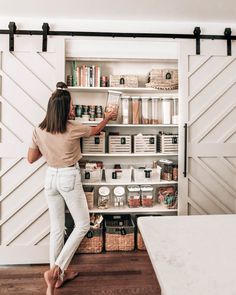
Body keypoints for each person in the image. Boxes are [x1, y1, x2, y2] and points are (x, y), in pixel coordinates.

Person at [28, 82, 116, 295]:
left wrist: (49, 148)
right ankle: (57, 269)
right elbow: (95, 130)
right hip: (68, 176)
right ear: (64, 109)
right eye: (71, 106)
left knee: (57, 228)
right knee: (83, 224)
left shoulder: (39, 129)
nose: (73, 110)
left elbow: (31, 158)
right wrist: (108, 117)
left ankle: (56, 278)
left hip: (50, 178)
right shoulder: (72, 126)